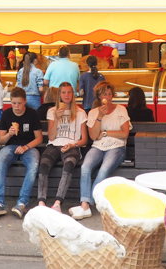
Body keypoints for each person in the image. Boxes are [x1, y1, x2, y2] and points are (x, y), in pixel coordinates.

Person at [70, 81, 131, 220]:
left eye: (110, 94)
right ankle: (85, 203)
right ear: (99, 96)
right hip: (98, 146)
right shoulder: (93, 113)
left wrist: (105, 133)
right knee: (85, 166)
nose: (108, 97)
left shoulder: (121, 109)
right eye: (105, 94)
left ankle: (86, 205)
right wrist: (100, 117)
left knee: (103, 170)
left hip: (117, 147)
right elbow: (93, 136)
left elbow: (124, 134)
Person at [0, 88, 42, 220]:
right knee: (0, 164)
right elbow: (1, 141)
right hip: (10, 146)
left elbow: (39, 138)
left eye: (19, 103)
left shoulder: (32, 114)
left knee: (34, 166)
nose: (17, 107)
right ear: (10, 102)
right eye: (14, 103)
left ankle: (22, 203)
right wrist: (9, 134)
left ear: (24, 101)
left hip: (28, 147)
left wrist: (25, 147)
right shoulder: (6, 115)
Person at [37, 82, 87, 213]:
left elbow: (84, 139)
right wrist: (56, 118)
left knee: (69, 164)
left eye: (69, 92)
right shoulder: (52, 111)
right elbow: (52, 137)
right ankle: (41, 202)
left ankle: (58, 202)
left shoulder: (80, 113)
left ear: (73, 94)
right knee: (44, 164)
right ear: (59, 94)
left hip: (72, 145)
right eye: (64, 92)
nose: (66, 95)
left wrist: (73, 144)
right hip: (54, 145)